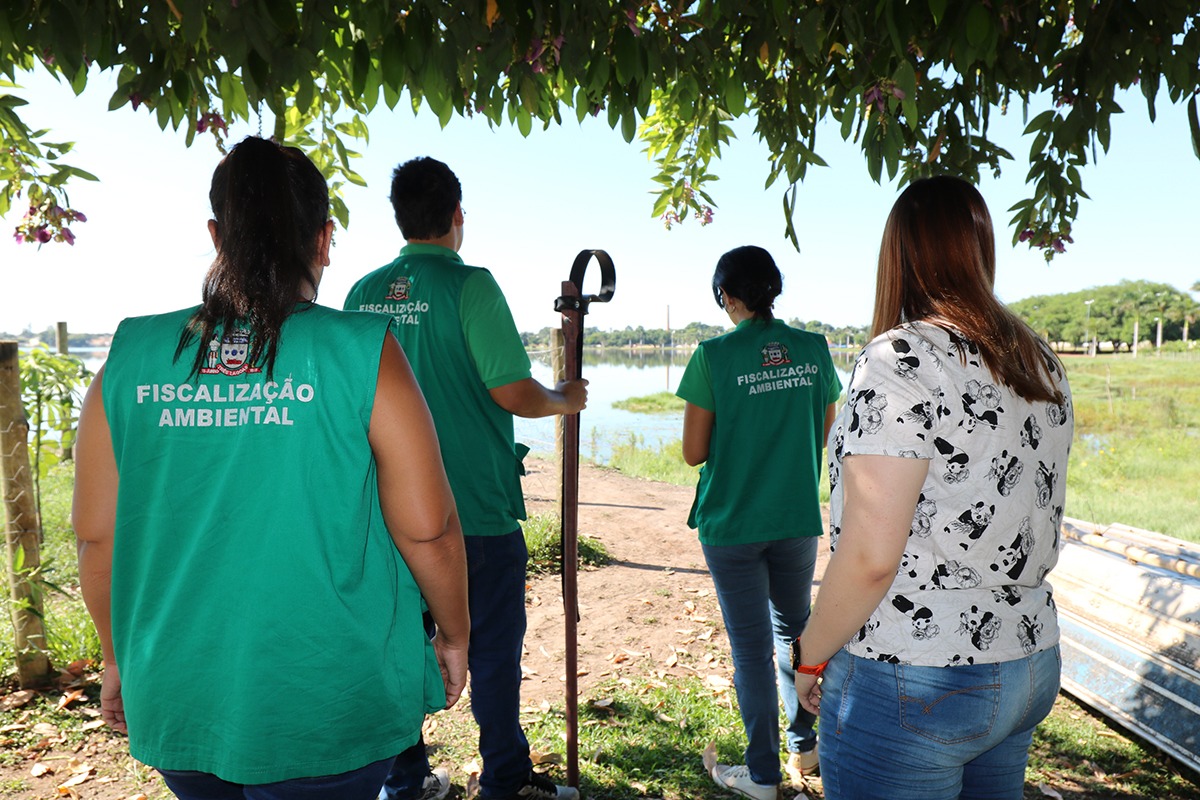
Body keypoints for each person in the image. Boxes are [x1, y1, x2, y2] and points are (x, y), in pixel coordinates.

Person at [73, 136, 470, 800]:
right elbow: (429, 529)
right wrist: (454, 634)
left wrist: (116, 658)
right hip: (326, 697)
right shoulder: (364, 351)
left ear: (215, 235)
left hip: (177, 686)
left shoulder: (131, 355)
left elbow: (95, 536)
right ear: (323, 238)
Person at [793, 176, 1073, 800]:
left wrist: (810, 653)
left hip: (918, 678)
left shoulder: (900, 359)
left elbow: (870, 557)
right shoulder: (1037, 360)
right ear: (981, 249)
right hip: (1026, 658)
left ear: (897, 255)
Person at [343, 156, 587, 800]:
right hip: (471, 509)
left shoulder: (362, 293)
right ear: (457, 216)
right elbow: (511, 390)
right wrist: (563, 397)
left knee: (399, 647)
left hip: (387, 516)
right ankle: (504, 778)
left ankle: (407, 778)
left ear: (399, 219)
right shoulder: (471, 285)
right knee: (493, 651)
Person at [675, 246, 842, 800]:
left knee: (750, 649)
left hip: (732, 522)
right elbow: (824, 433)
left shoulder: (712, 355)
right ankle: (807, 748)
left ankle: (763, 776)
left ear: (726, 296)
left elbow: (693, 452)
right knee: (798, 634)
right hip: (795, 518)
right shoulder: (815, 350)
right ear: (773, 288)